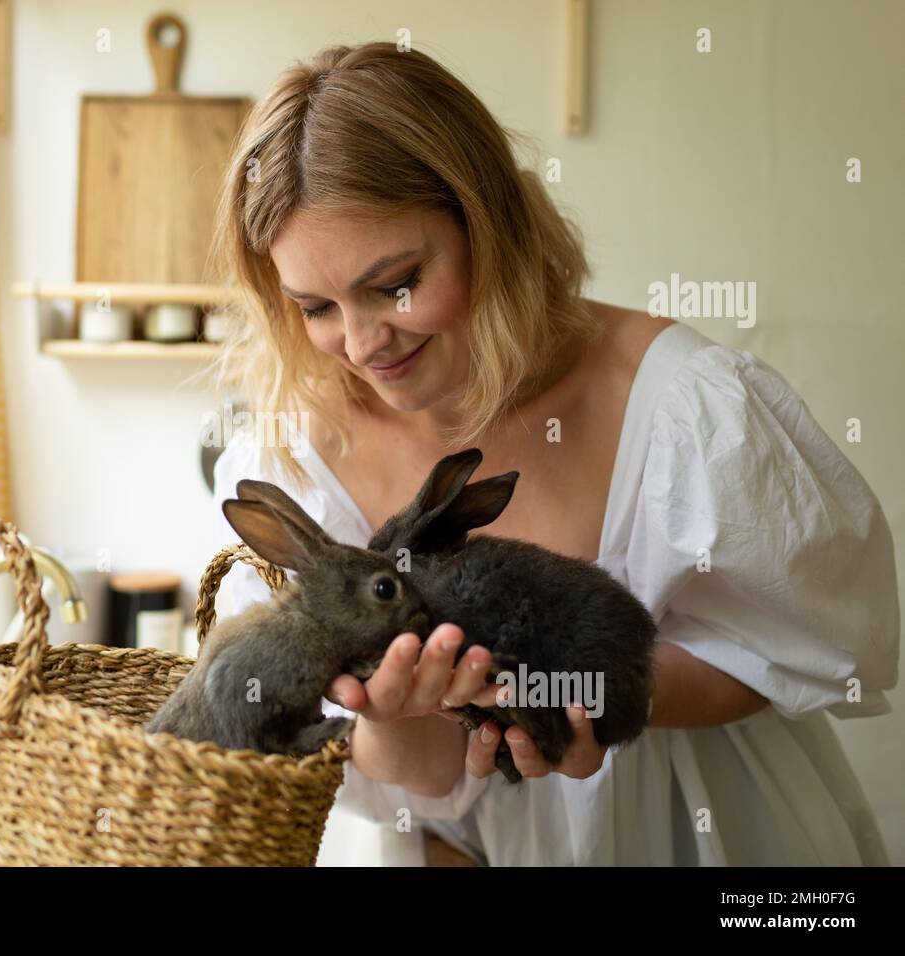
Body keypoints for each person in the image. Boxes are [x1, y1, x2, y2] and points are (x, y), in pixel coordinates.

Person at [206, 42, 898, 865]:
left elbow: (810, 646)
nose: (360, 344)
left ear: (484, 222)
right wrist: (408, 716)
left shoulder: (683, 407)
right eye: (316, 306)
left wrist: (590, 697)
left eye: (395, 285)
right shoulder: (296, 452)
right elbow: (403, 778)